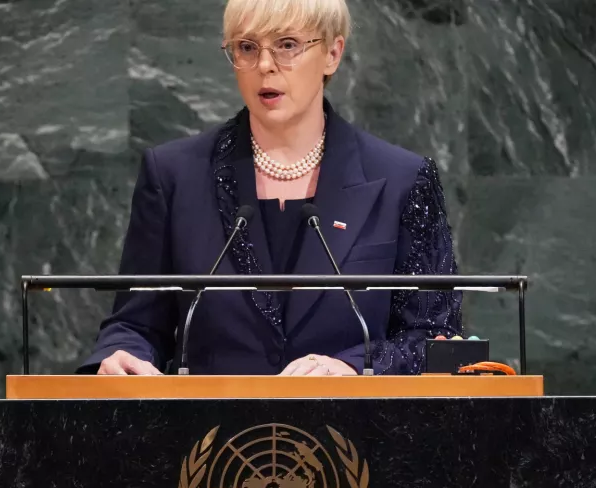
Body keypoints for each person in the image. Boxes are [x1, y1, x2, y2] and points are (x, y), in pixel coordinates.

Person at [79, 0, 462, 376]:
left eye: (287, 45)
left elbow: (435, 339)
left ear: (332, 53)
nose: (264, 65)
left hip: (355, 432)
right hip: (209, 433)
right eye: (247, 47)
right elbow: (135, 325)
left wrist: (354, 366)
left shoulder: (402, 179)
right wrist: (120, 356)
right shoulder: (174, 175)